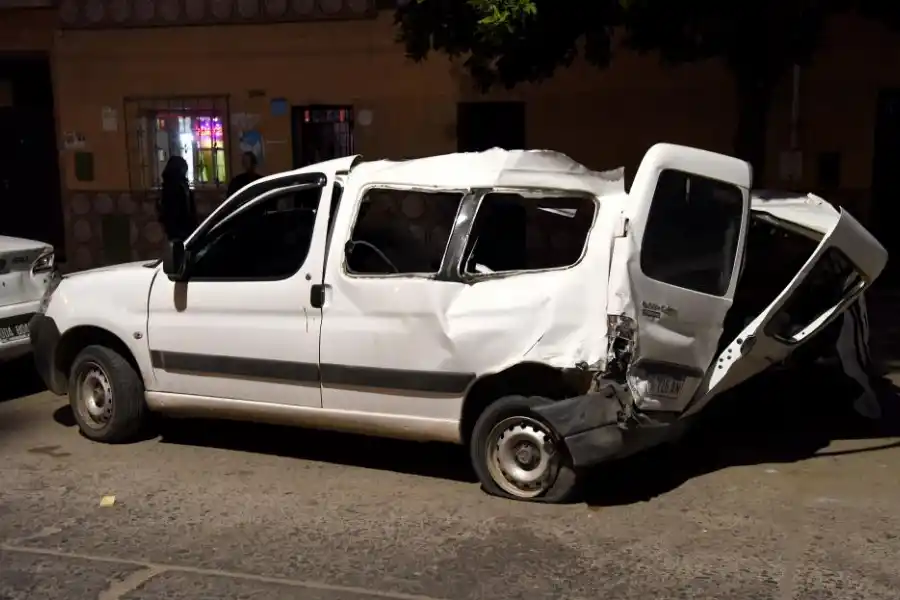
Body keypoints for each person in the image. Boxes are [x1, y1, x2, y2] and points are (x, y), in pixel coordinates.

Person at [157, 156, 198, 243]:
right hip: (178, 231)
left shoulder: (181, 185)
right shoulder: (172, 187)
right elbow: (171, 211)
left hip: (185, 229)